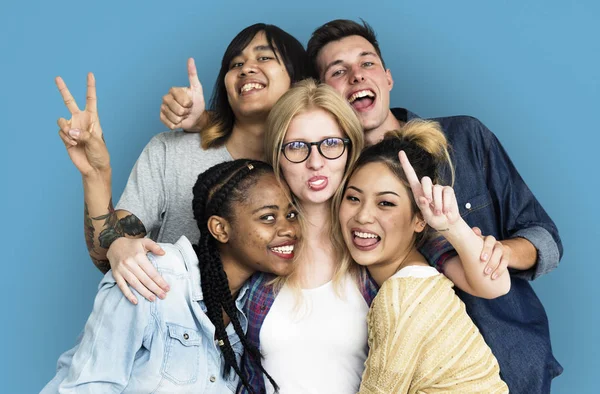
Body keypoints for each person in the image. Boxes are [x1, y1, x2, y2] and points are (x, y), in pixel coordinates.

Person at [307, 19, 563, 393]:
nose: (357, 77)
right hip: (410, 373)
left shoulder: (464, 137)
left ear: (387, 77)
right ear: (323, 92)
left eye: (367, 63)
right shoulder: (330, 176)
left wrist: (494, 252)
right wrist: (208, 122)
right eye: (339, 71)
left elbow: (547, 239)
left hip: (512, 364)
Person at [55, 23, 308, 305]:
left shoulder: (312, 166)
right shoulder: (172, 151)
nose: (246, 68)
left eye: (264, 57)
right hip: (169, 333)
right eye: (235, 63)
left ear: (298, 80)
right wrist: (95, 175)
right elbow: (110, 255)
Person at [42, 153, 301, 392]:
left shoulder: (249, 310)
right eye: (268, 217)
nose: (289, 228)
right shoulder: (150, 275)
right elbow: (87, 386)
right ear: (220, 229)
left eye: (291, 214)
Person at [337, 120, 509, 393]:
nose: (363, 216)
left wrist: (452, 225)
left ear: (420, 219)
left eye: (386, 203)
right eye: (353, 198)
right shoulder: (422, 279)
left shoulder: (403, 295)